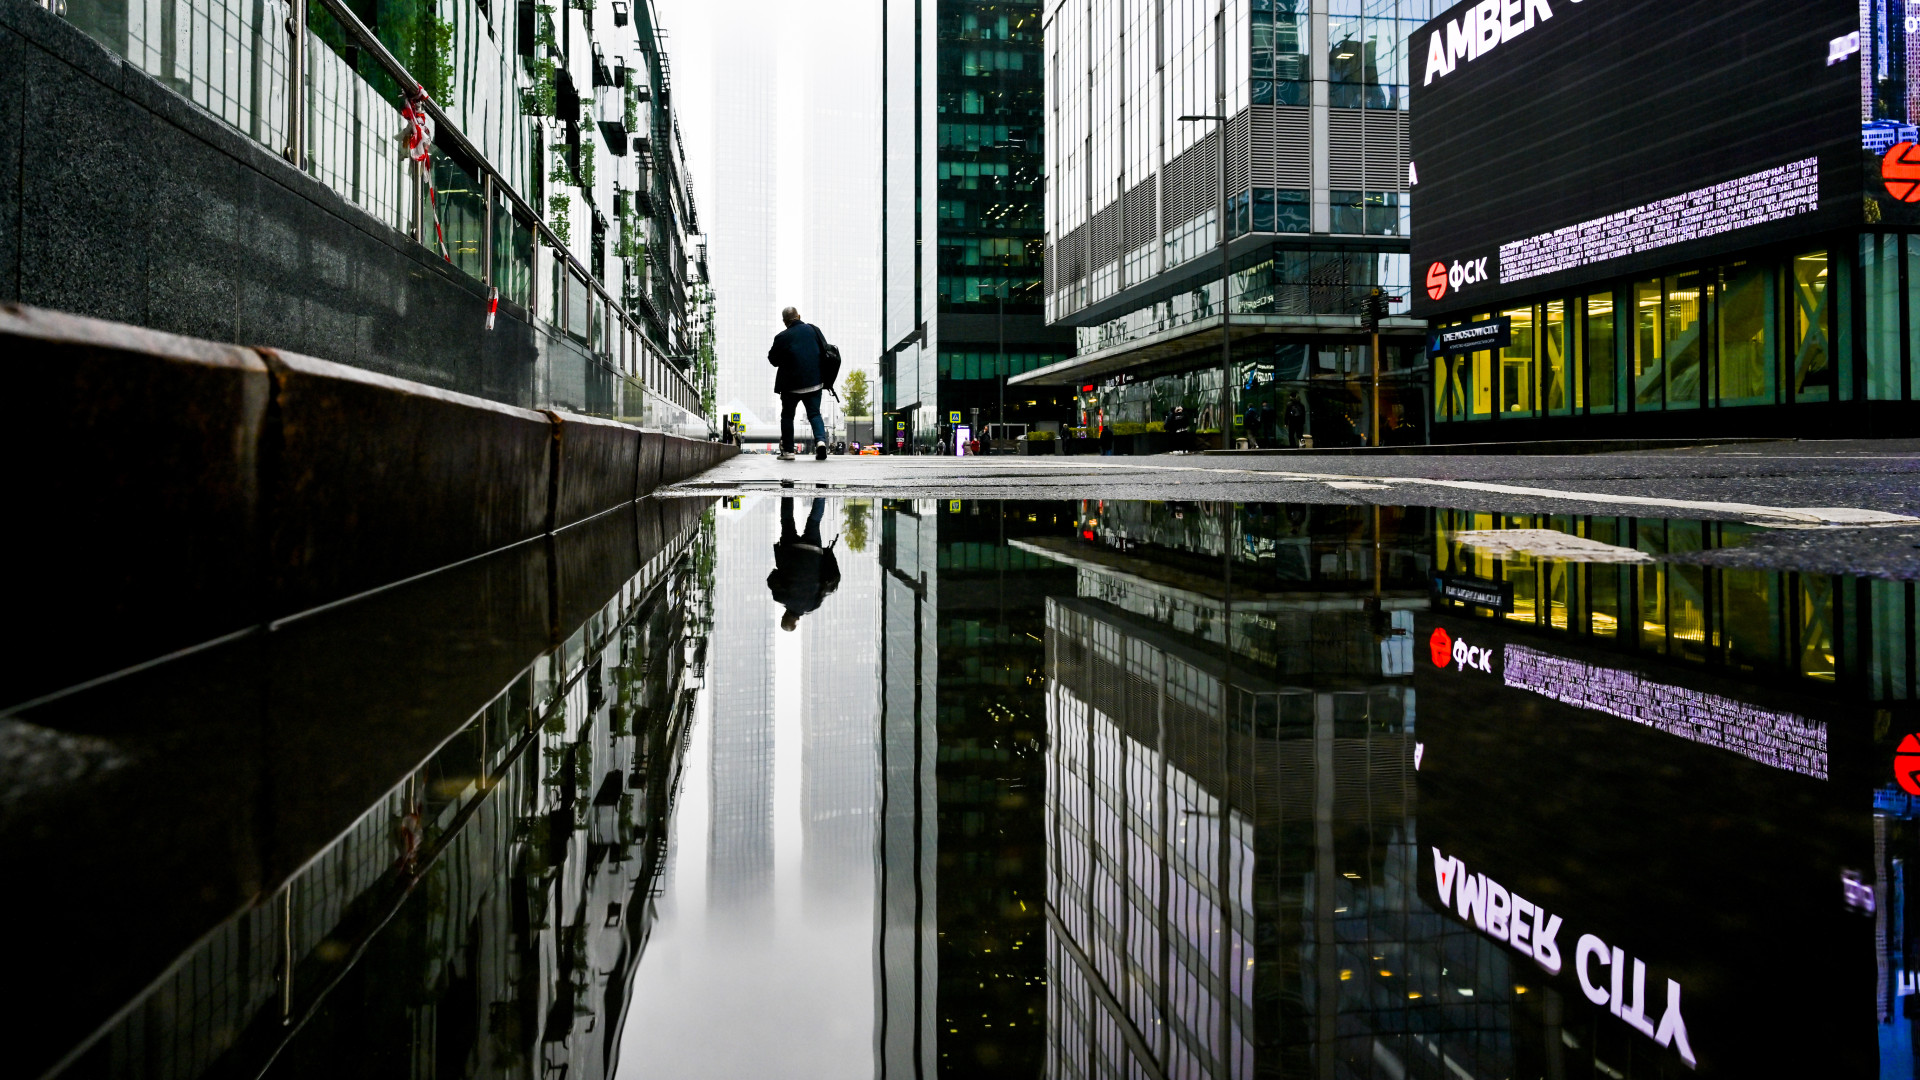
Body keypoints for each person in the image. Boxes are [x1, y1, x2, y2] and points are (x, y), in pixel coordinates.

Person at [767, 306, 833, 461]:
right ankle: (821, 442)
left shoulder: (782, 337)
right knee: (814, 414)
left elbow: (773, 360)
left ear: (784, 322)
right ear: (799, 316)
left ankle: (788, 451)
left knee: (788, 416)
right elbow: (825, 351)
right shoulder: (813, 330)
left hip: (791, 386)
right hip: (814, 382)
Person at [767, 497, 841, 631]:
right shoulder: (780, 596)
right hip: (790, 549)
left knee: (814, 521)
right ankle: (788, 487)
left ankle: (821, 491)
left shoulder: (812, 605)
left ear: (796, 621)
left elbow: (824, 582)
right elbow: (773, 575)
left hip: (813, 553)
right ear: (783, 616)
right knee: (787, 520)